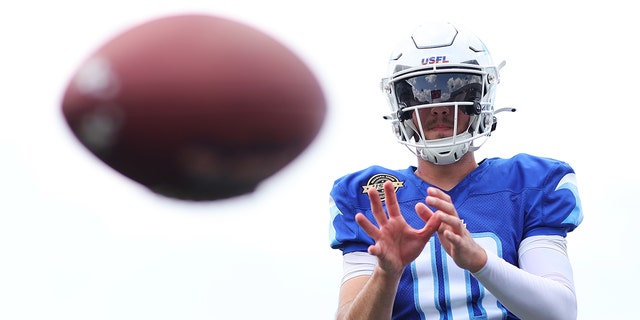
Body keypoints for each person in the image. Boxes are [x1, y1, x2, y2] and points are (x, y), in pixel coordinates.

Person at [328, 21, 583, 320]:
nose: (439, 107)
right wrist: (387, 271)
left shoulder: (531, 182)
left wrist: (479, 261)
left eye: (455, 88)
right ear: (401, 104)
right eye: (420, 93)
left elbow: (560, 312)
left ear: (482, 95)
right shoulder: (371, 195)